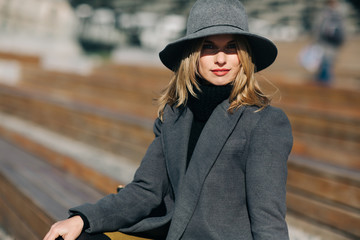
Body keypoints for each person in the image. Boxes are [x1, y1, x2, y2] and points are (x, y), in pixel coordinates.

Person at [44, 0, 293, 239]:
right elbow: (145, 190)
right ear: (192, 54)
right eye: (208, 46)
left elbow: (267, 217)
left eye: (231, 47)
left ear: (244, 56)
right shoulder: (175, 115)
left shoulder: (264, 122)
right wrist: (84, 219)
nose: (220, 59)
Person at [314, 0, 345, 84]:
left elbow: (319, 29)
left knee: (327, 64)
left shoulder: (329, 14)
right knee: (326, 64)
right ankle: (325, 82)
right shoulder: (333, 14)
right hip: (328, 44)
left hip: (330, 44)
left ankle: (325, 82)